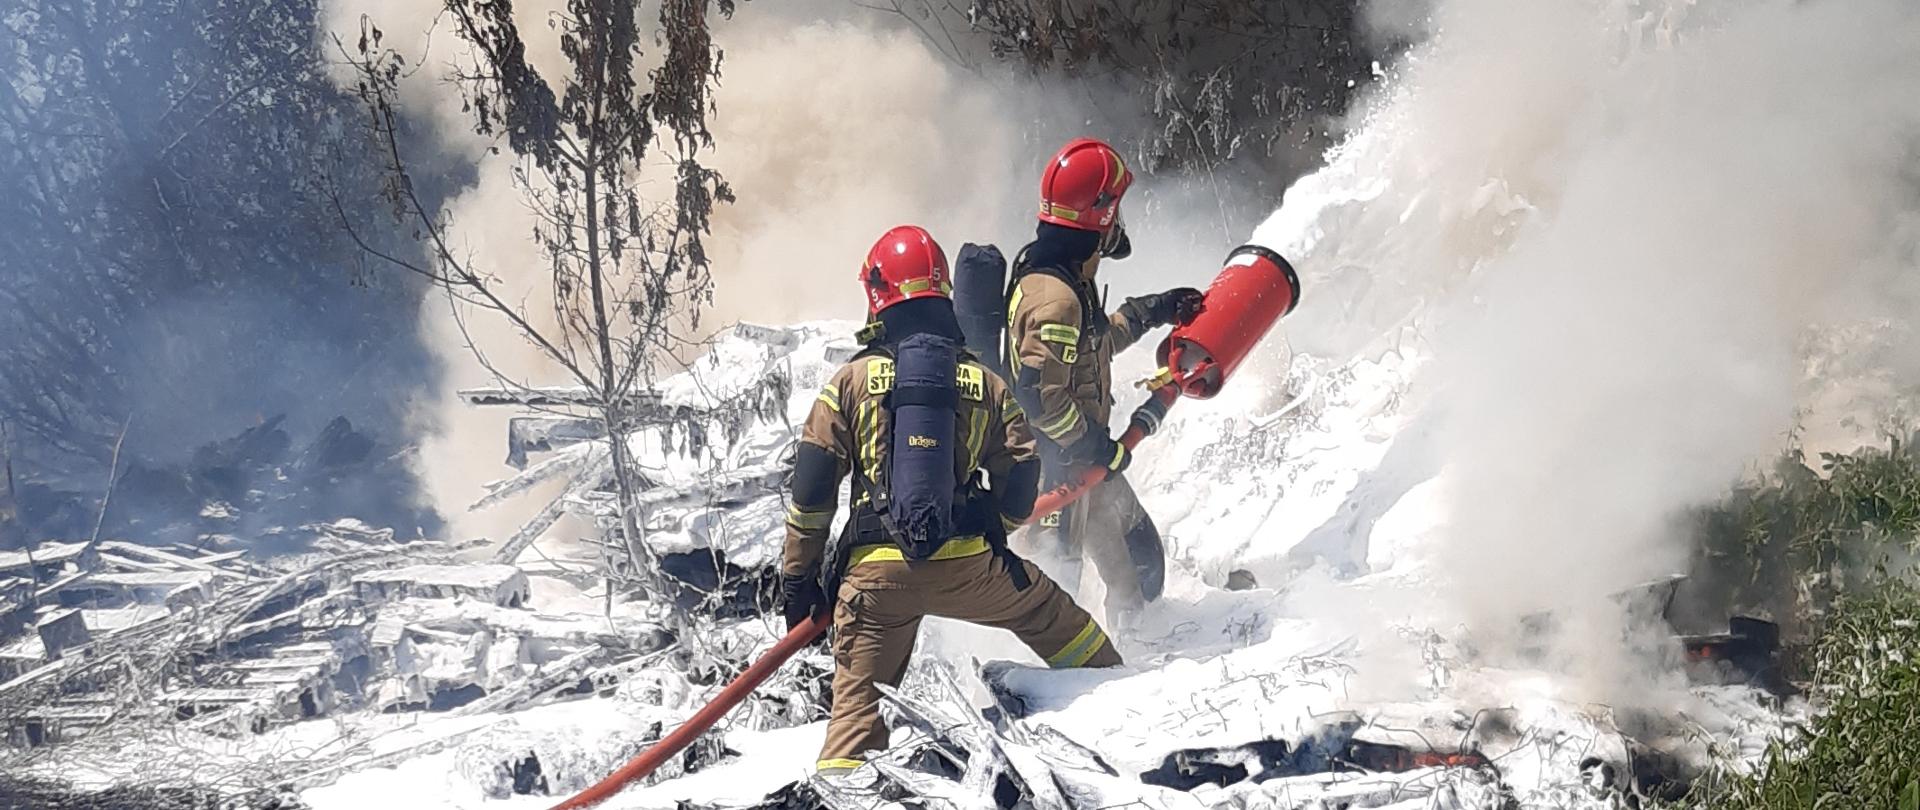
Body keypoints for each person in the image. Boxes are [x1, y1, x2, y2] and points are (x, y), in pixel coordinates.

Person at [779, 225, 1122, 776]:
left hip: (875, 582)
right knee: (1056, 620)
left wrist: (799, 582)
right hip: (970, 567)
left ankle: (844, 788)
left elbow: (812, 495)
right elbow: (1021, 474)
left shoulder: (848, 383)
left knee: (854, 727)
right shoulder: (982, 380)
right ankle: (1122, 702)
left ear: (878, 295)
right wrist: (995, 529)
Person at [1004, 137, 1205, 622]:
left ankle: (1135, 656)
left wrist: (1152, 309)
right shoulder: (1058, 297)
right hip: (1060, 476)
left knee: (1143, 572)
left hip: (1087, 468)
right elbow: (1041, 400)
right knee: (1054, 608)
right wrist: (1095, 447)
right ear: (1101, 212)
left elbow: (1090, 349)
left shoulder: (1064, 274)